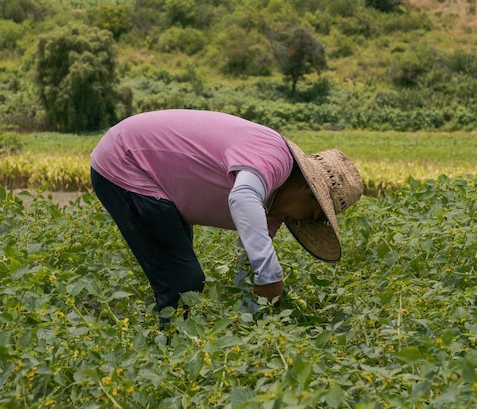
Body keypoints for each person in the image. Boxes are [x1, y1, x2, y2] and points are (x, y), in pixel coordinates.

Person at [90, 109, 363, 322]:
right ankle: (170, 362)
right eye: (314, 215)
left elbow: (246, 267)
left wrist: (252, 320)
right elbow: (242, 197)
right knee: (183, 282)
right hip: (126, 161)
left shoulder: (273, 208)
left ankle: (172, 346)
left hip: (155, 178)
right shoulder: (274, 157)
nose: (302, 223)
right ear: (307, 189)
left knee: (180, 276)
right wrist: (270, 276)